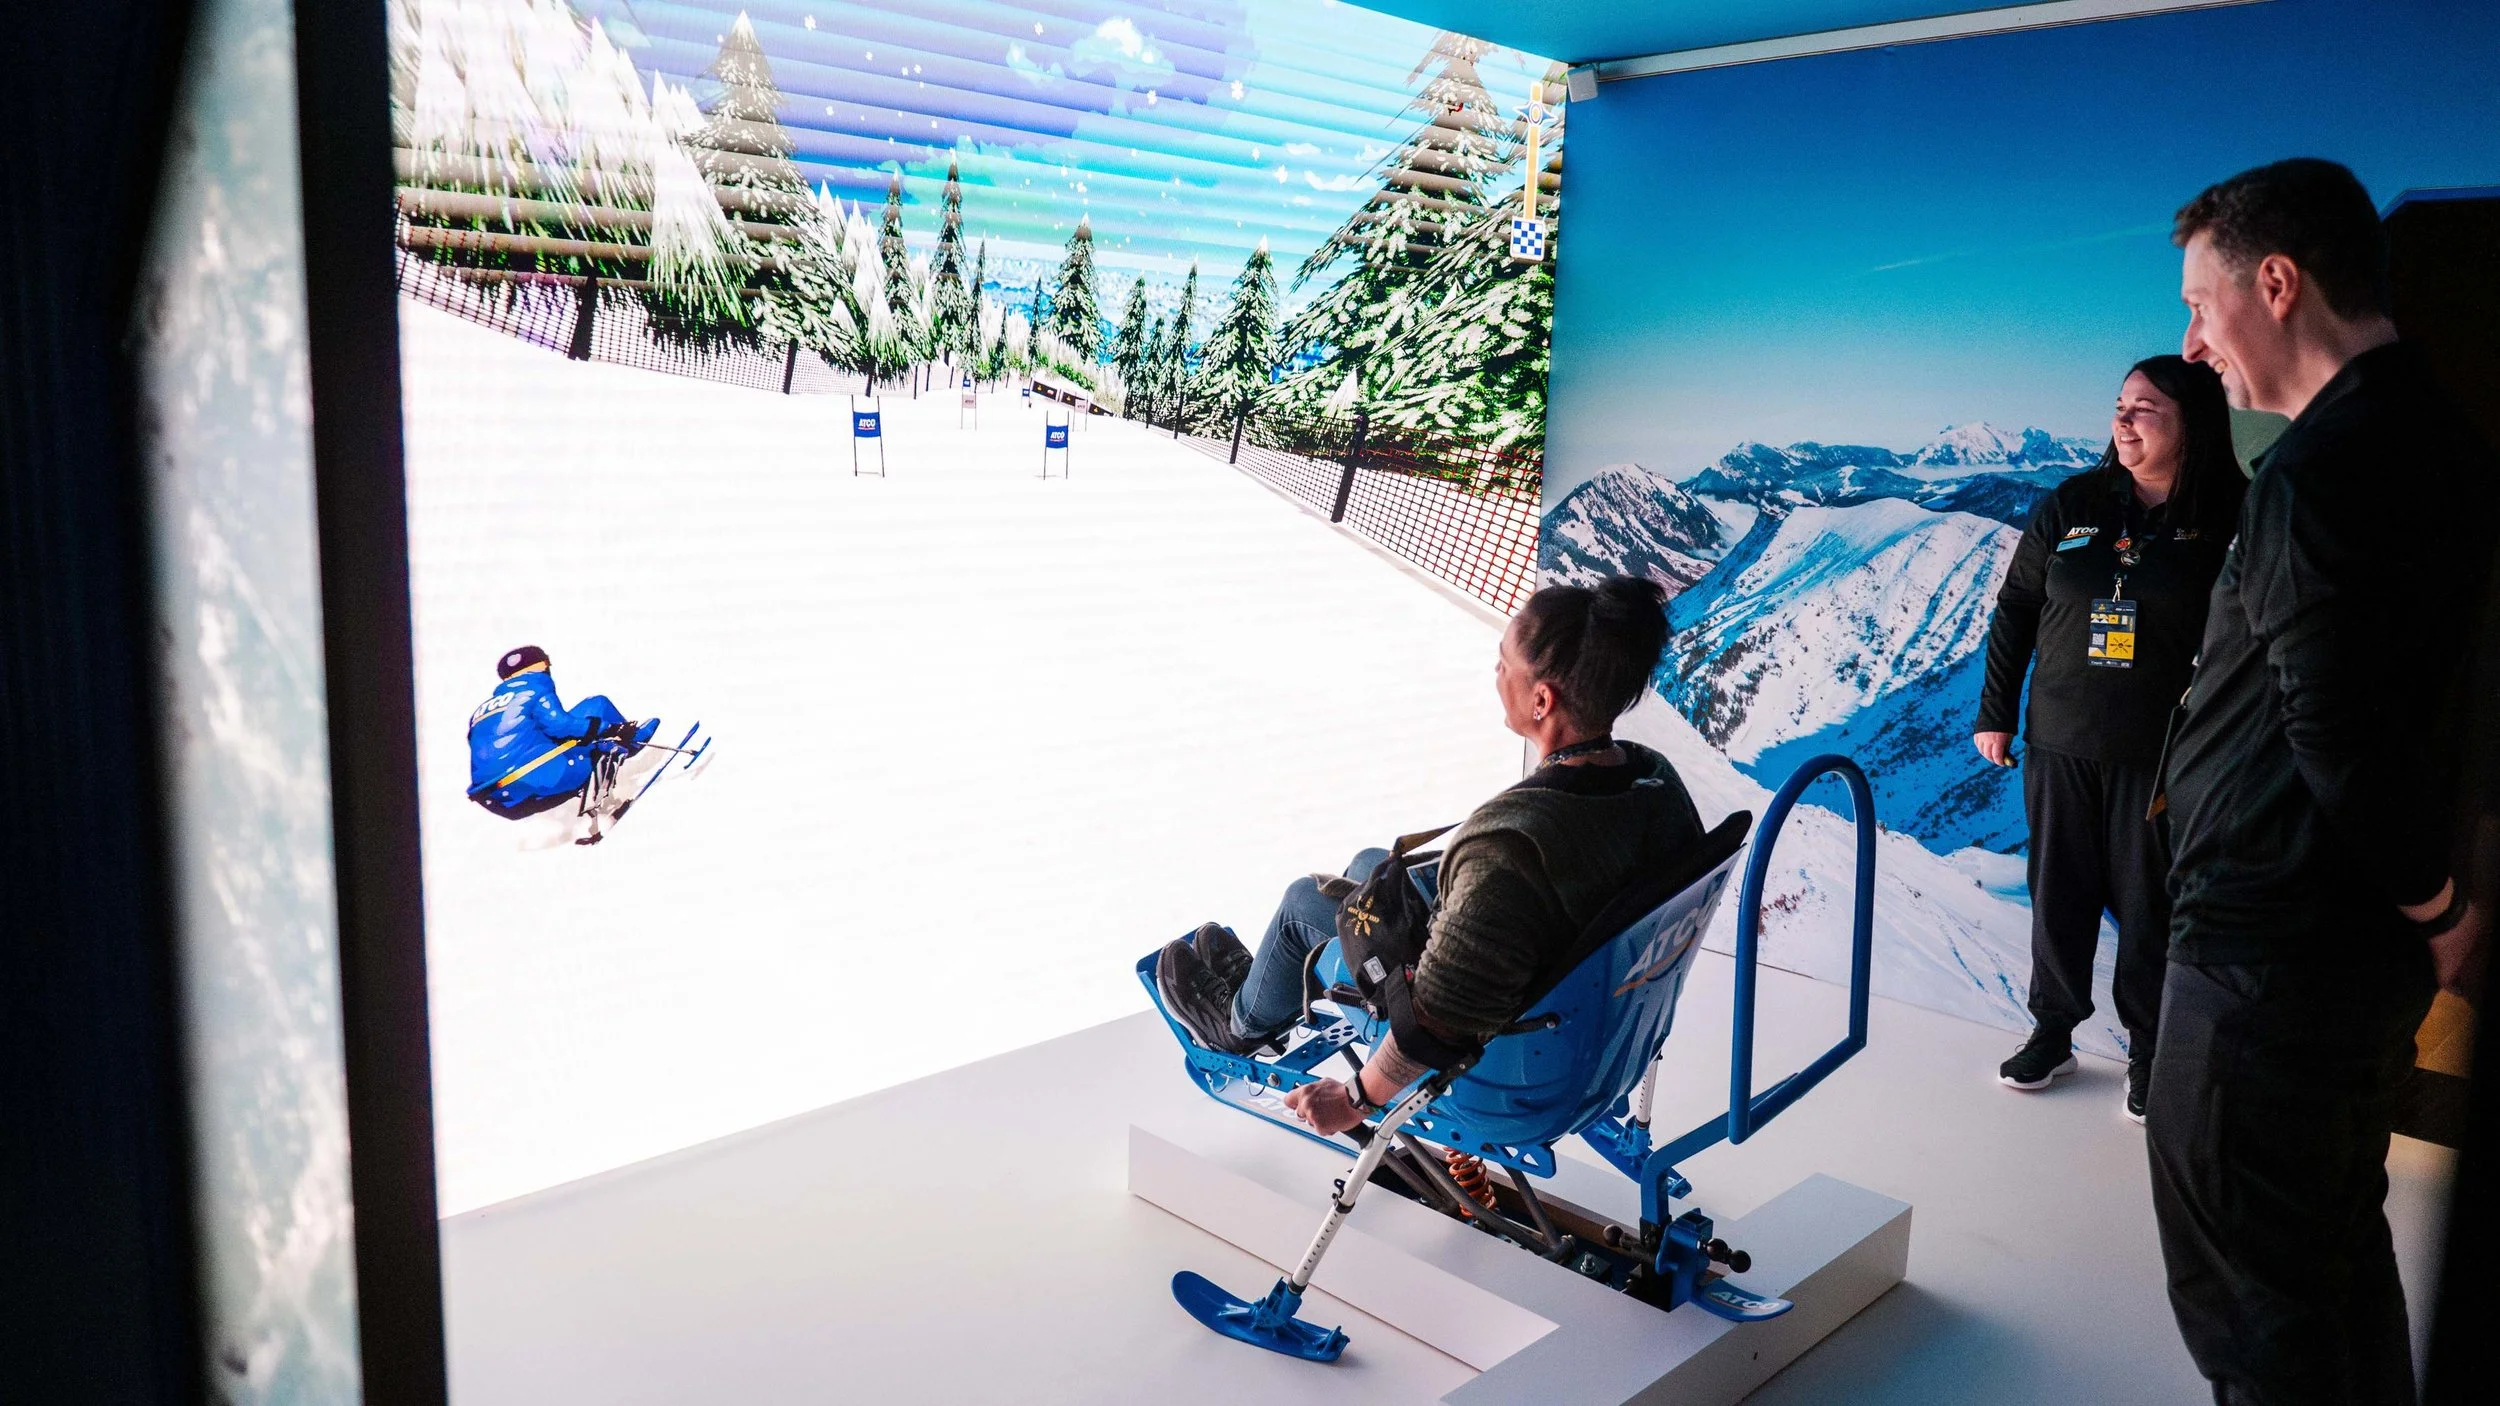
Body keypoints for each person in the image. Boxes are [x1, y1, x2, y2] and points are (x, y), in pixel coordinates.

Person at [2152, 158, 2495, 1405]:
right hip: (2341, 968)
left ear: (2277, 283)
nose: (2192, 347)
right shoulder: (2446, 442)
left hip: (2263, 965)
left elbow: (2337, 729)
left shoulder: (2315, 469)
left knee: (2253, 1312)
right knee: (2333, 1263)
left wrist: (2436, 902)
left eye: (2200, 306)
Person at [1155, 578, 1709, 1136]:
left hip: (1504, 1075)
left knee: (1304, 904)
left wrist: (1353, 1098)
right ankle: (1266, 990)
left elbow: (1440, 1017)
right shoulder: (1653, 780)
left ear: (1542, 701)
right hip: (1596, 1031)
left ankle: (1239, 1023)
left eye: (1504, 663)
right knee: (1370, 864)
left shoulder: (1512, 843)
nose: (1496, 673)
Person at [1975, 355, 2247, 1119]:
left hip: (2163, 749)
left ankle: (2150, 1049)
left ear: (2191, 423)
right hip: (2059, 737)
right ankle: (2052, 1031)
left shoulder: (2230, 511)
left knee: (2150, 904)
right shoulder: (2075, 501)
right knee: (2057, 894)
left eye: (2145, 409)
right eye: (2120, 405)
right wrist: (1996, 712)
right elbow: (2017, 605)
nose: (2123, 420)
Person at [466, 645, 656, 838]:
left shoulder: (479, 713)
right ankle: (631, 748)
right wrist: (612, 729)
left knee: (591, 711)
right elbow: (560, 725)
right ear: (540, 665)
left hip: (498, 799)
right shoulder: (535, 687)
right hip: (539, 777)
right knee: (598, 729)